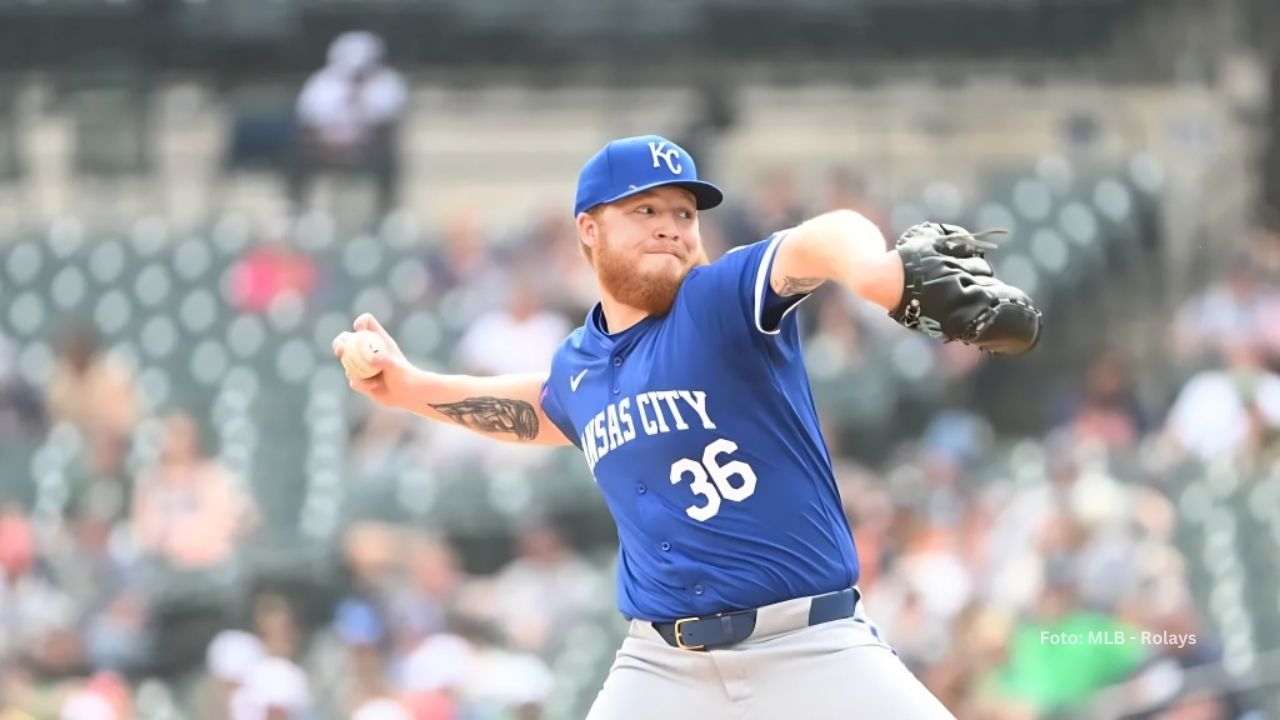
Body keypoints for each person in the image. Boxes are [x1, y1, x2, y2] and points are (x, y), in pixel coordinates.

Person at [333, 135, 1040, 718]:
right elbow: (537, 408)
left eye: (683, 211)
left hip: (811, 648)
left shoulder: (718, 302)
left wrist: (877, 271)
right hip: (663, 668)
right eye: (645, 209)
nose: (671, 223)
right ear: (589, 228)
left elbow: (820, 239)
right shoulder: (581, 365)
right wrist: (410, 388)